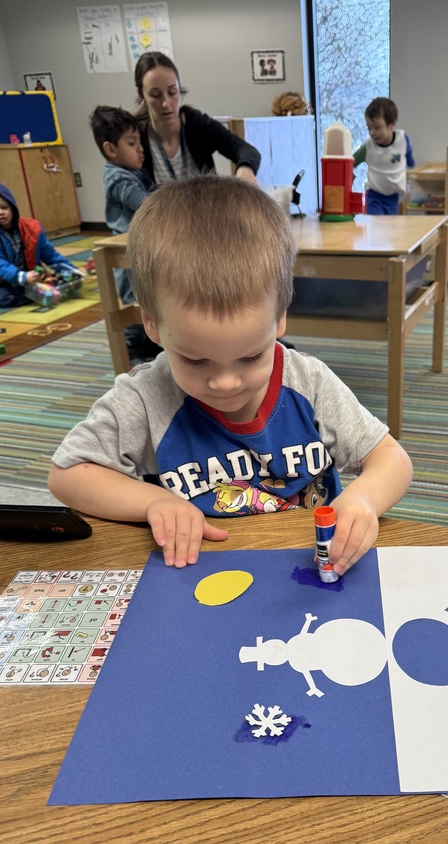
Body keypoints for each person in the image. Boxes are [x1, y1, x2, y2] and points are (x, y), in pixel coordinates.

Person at [48, 175, 413, 573]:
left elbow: (391, 459)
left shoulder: (309, 383)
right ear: (152, 325)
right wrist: (154, 502)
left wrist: (364, 499)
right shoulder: (144, 397)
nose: (225, 383)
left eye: (251, 356)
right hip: (199, 569)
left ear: (280, 319)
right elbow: (69, 474)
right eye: (195, 360)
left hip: (310, 563)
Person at [89, 104, 161, 364]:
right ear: (111, 149)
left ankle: (146, 343)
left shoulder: (132, 172)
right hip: (126, 252)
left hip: (141, 247)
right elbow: (146, 205)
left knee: (147, 297)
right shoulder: (119, 178)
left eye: (139, 141)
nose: (140, 148)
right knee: (133, 303)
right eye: (132, 143)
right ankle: (132, 349)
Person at [133, 51, 261, 186]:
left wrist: (245, 169)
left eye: (172, 92)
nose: (166, 103)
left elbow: (246, 150)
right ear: (141, 94)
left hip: (206, 205)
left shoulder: (197, 124)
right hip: (159, 207)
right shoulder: (134, 135)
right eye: (155, 95)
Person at [0, 182, 70, 310]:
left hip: (27, 277)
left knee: (1, 298)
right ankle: (37, 291)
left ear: (12, 207)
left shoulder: (32, 227)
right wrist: (20, 276)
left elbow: (50, 254)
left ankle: (40, 290)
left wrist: (70, 270)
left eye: (4, 207)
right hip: (0, 277)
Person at [353, 97, 414, 215]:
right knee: (378, 224)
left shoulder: (402, 139)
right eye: (369, 127)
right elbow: (351, 161)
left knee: (390, 228)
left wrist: (411, 162)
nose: (372, 132)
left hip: (394, 197)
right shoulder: (369, 146)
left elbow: (408, 151)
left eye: (377, 127)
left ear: (392, 125)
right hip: (374, 196)